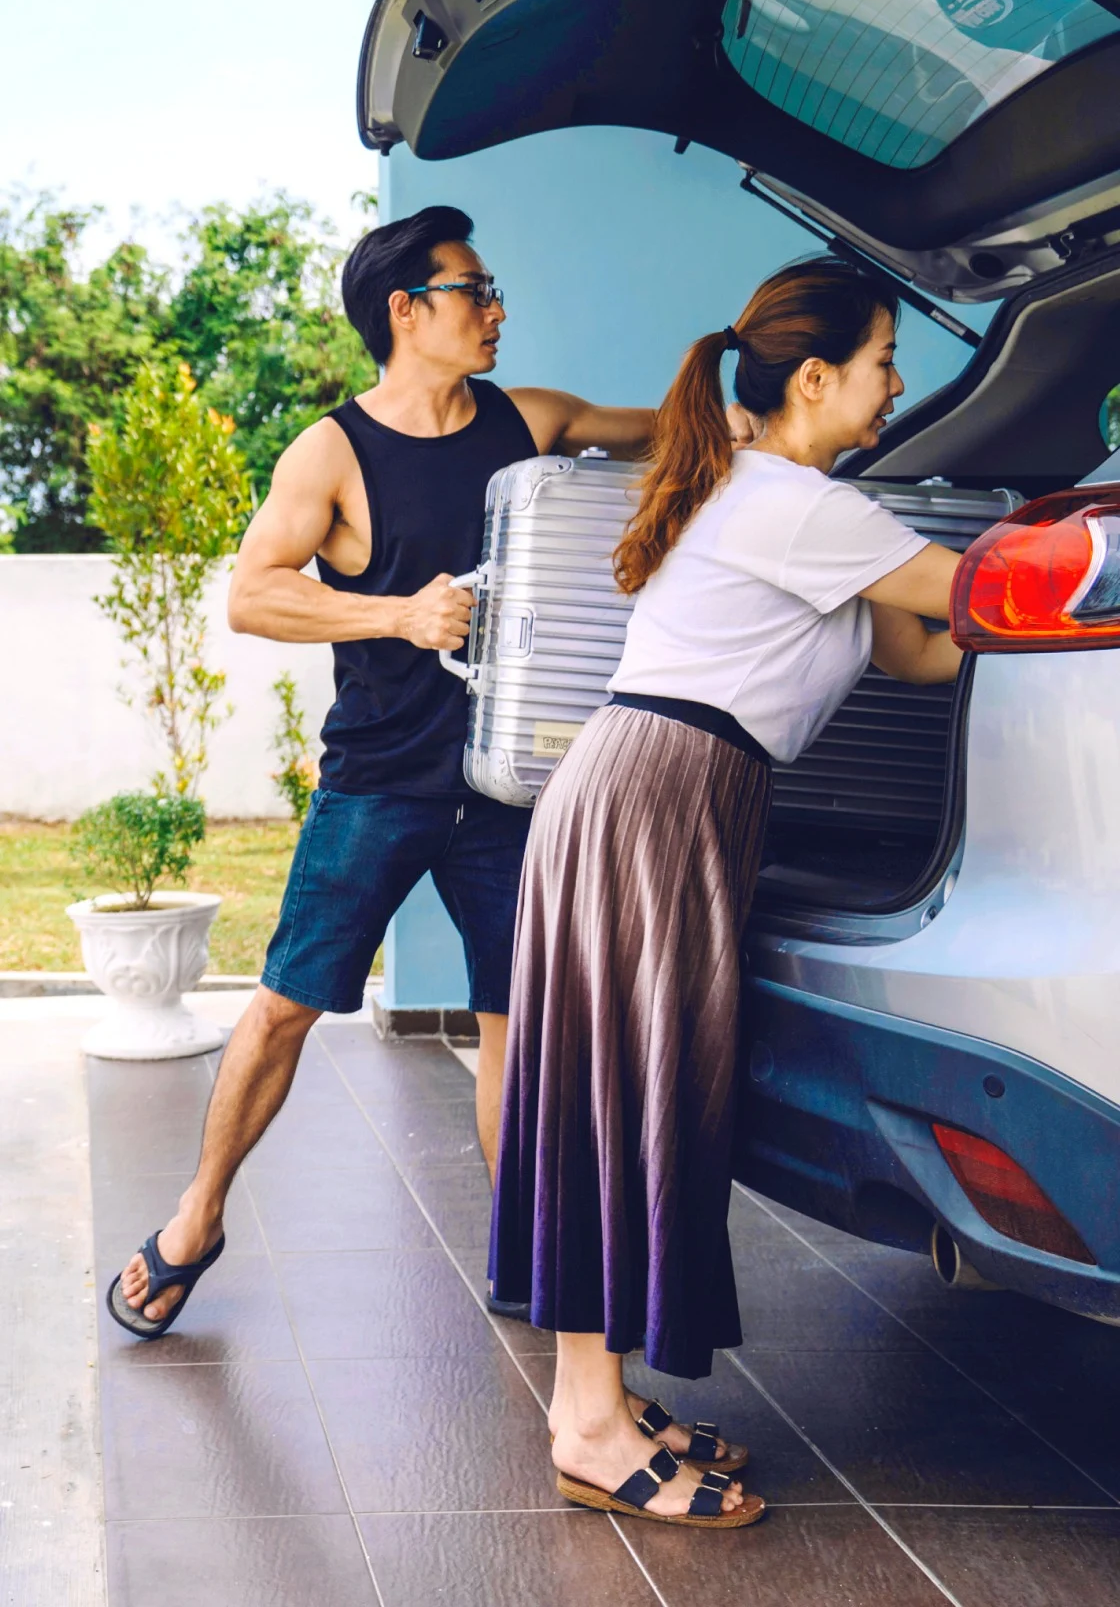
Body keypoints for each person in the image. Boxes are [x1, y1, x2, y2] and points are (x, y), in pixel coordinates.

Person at [106, 205, 654, 1340]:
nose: (496, 307)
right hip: (380, 783)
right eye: (474, 287)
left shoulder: (528, 420)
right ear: (406, 310)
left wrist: (744, 397)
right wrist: (399, 614)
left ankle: (524, 1252)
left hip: (511, 789)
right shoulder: (333, 449)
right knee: (284, 1009)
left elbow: (660, 434)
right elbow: (255, 592)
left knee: (516, 1021)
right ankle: (196, 1219)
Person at [488, 258, 966, 1527]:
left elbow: (924, 648)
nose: (895, 384)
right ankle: (587, 1421)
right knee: (616, 1094)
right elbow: (961, 597)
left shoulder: (797, 500)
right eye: (880, 362)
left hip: (660, 792)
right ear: (815, 380)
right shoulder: (798, 504)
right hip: (662, 792)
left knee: (627, 1090)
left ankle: (598, 1396)